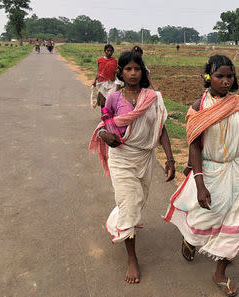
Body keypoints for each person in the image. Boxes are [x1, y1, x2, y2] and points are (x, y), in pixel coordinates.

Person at [163, 55, 239, 297]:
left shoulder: (237, 103)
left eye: (229, 76)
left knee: (234, 220)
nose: (225, 81)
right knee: (206, 216)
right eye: (220, 76)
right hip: (211, 171)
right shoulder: (198, 108)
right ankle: (191, 240)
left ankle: (220, 272)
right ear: (208, 77)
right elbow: (194, 146)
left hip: (237, 170)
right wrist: (199, 184)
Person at [89, 51, 176, 284]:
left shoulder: (153, 98)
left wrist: (169, 159)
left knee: (136, 201)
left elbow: (161, 129)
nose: (133, 73)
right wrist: (105, 136)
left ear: (143, 71)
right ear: (121, 72)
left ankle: (119, 220)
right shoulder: (113, 99)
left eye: (137, 69)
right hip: (121, 158)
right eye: (128, 69)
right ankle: (131, 258)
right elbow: (104, 125)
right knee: (129, 204)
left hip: (145, 159)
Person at [93, 44, 118, 109]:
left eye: (111, 51)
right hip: (101, 83)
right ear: (105, 51)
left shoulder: (115, 61)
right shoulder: (100, 60)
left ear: (113, 52)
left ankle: (109, 115)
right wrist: (95, 81)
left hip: (111, 83)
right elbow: (98, 71)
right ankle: (104, 115)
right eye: (108, 51)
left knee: (110, 100)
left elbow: (116, 71)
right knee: (102, 101)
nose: (109, 52)